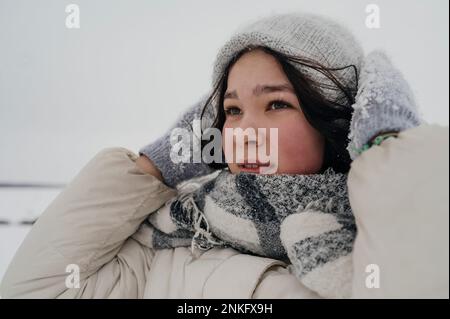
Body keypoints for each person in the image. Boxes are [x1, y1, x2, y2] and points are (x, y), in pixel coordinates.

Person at [3, 12, 441, 299]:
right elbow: (35, 290)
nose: (245, 132)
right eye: (231, 111)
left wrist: (389, 143)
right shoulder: (173, 235)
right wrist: (156, 162)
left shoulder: (373, 251)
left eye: (277, 104)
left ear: (338, 121)